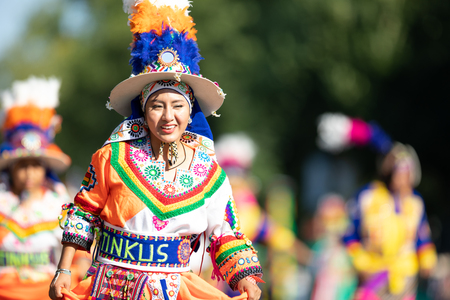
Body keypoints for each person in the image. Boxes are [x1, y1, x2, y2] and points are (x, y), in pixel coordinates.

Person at [49, 1, 263, 300]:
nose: (167, 116)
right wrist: (63, 270)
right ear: (143, 111)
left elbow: (224, 231)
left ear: (190, 115)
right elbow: (85, 212)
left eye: (177, 106)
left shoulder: (209, 172)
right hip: (112, 288)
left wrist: (245, 278)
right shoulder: (113, 158)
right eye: (157, 106)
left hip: (175, 290)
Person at [0, 76, 73, 300]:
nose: (29, 172)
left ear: (44, 168)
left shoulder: (58, 203)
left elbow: (77, 250)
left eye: (35, 165)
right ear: (11, 168)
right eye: (22, 165)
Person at [343, 143, 437, 299]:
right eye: (398, 171)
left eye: (406, 172)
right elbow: (348, 232)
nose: (401, 177)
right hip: (375, 270)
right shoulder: (369, 196)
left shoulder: (415, 202)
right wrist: (360, 261)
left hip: (405, 272)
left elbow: (422, 237)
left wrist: (428, 260)